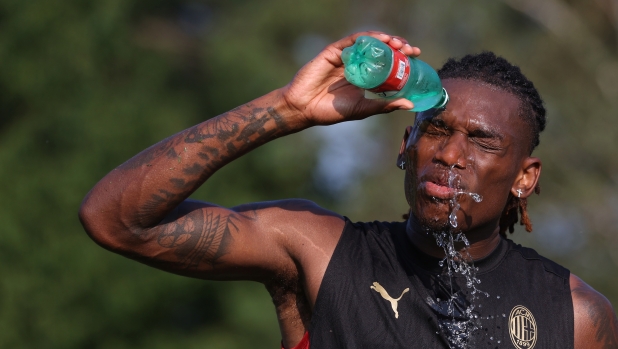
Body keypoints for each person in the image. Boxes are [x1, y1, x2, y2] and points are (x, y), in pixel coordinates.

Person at [79, 31, 618, 348]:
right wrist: (287, 111)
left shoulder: (575, 318)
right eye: (434, 130)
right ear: (407, 143)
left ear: (525, 176)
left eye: (482, 142)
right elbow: (117, 220)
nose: (450, 155)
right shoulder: (317, 252)